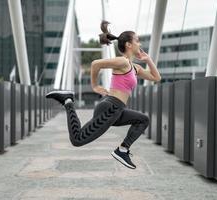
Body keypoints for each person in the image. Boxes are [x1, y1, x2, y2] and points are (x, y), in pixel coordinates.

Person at [46, 20, 161, 169]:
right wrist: (95, 86)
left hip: (117, 110)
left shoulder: (135, 67)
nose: (140, 44)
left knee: (143, 120)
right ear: (128, 45)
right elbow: (95, 64)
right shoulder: (123, 62)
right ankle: (68, 101)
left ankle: (122, 150)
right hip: (110, 108)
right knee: (78, 139)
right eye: (137, 41)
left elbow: (156, 78)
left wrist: (149, 60)